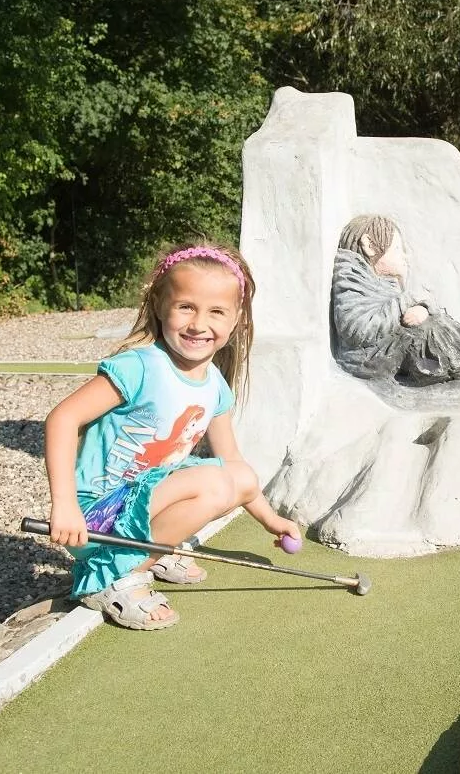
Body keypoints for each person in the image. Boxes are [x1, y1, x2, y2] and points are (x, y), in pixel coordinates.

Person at [44, 242, 301, 630]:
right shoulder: (140, 366)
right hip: (92, 520)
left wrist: (269, 519)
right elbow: (62, 419)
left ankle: (156, 548)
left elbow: (233, 461)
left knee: (241, 478)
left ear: (237, 322)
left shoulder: (214, 386)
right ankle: (111, 577)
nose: (199, 324)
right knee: (213, 485)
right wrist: (64, 505)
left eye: (216, 311)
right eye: (186, 307)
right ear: (162, 306)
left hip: (137, 507)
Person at [331, 214, 460, 384]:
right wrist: (404, 302)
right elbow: (356, 331)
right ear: (369, 246)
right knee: (426, 331)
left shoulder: (380, 281)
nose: (404, 257)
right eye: (397, 250)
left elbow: (399, 307)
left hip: (381, 346)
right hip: (366, 358)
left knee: (436, 320)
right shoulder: (352, 278)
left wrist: (421, 308)